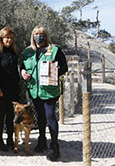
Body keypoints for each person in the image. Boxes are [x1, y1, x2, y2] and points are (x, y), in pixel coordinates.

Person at [21, 26, 68, 162]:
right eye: (36, 34)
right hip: (34, 90)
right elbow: (23, 66)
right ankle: (42, 141)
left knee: (50, 116)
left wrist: (53, 73)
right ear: (33, 36)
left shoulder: (55, 50)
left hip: (49, 91)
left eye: (41, 34)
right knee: (40, 117)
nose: (39, 36)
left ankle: (55, 146)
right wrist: (23, 72)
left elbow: (64, 67)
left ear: (46, 36)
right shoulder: (28, 51)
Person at [0, 26, 20, 151]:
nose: (9, 40)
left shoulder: (13, 53)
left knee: (11, 115)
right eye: (7, 38)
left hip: (13, 89)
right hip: (1, 89)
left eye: (11, 38)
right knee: (1, 115)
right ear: (1, 38)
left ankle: (10, 138)